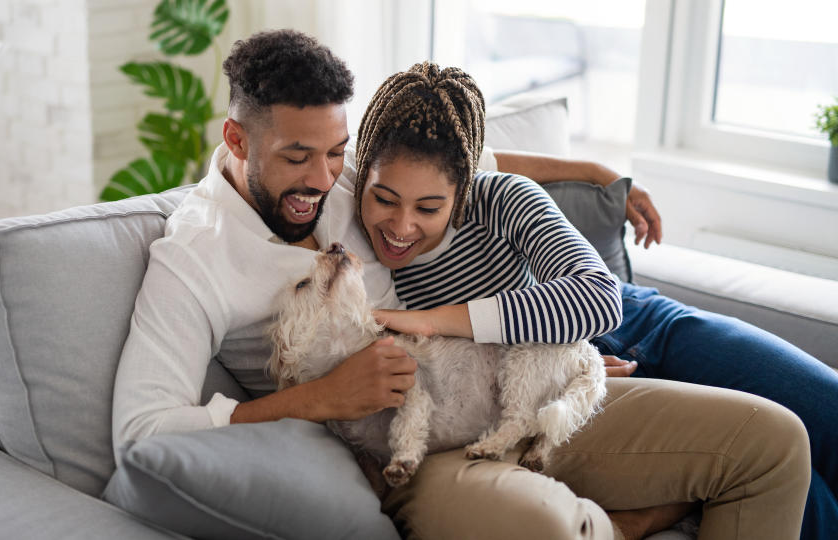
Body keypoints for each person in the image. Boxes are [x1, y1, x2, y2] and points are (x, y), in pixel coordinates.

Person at [113, 31, 810, 540]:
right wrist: (319, 398)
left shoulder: (359, 180)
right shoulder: (193, 259)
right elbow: (142, 433)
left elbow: (462, 163)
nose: (325, 182)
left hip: (512, 375)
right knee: (543, 527)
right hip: (406, 451)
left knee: (777, 441)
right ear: (236, 141)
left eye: (334, 153)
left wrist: (595, 174)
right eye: (297, 158)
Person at [354, 61, 829, 539]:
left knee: (826, 409)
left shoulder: (494, 196)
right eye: (385, 200)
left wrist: (438, 321)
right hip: (567, 377)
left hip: (635, 324)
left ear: (464, 187)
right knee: (800, 482)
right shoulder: (344, 210)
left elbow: (598, 297)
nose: (401, 226)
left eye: (429, 208)